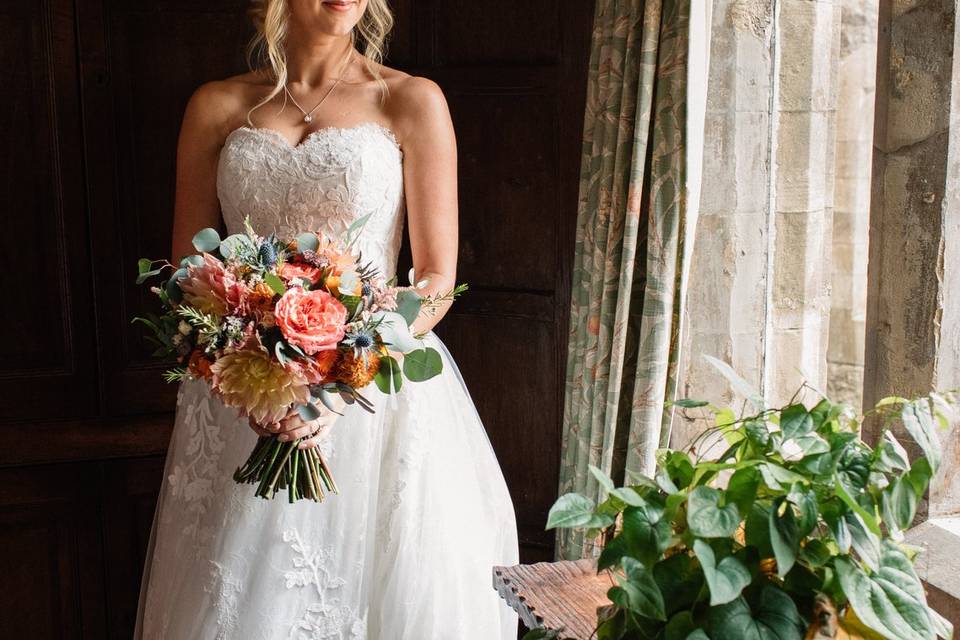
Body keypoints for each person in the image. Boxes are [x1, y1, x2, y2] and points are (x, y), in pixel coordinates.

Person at [134, 1, 519, 637]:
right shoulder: (216, 106)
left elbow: (435, 282)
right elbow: (188, 277)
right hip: (240, 396)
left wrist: (333, 385)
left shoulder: (411, 101)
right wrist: (242, 368)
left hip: (373, 396)